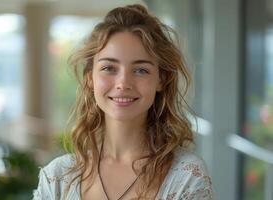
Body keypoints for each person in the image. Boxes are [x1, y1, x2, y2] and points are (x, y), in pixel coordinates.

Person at [33, 4, 213, 200]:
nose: (123, 83)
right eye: (109, 68)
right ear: (89, 78)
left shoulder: (186, 176)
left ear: (161, 80)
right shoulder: (57, 177)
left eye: (140, 70)